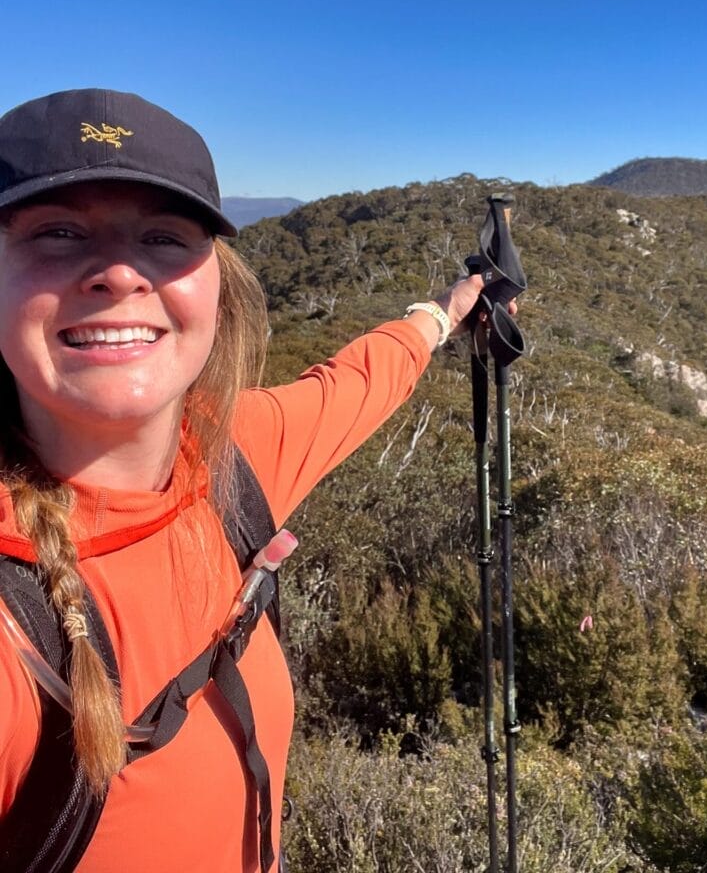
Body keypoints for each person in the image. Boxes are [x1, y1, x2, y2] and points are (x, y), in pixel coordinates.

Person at [0, 88, 516, 872]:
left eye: (164, 237)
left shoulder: (230, 456)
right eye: (58, 233)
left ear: (216, 284)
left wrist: (444, 312)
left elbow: (357, 381)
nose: (117, 273)